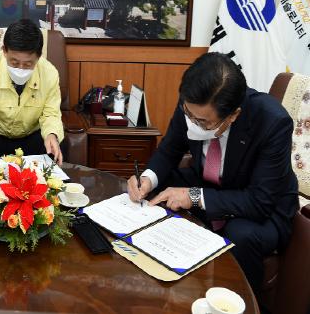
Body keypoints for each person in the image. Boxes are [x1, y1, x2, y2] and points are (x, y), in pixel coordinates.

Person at [127, 52, 298, 295]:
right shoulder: (193, 103)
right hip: (210, 183)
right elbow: (170, 149)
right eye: (189, 115)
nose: (193, 123)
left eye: (203, 122)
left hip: (262, 206)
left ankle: (244, 301)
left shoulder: (273, 122)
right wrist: (147, 179)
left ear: (233, 115)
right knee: (157, 187)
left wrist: (194, 196)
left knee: (241, 233)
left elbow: (260, 201)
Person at [0, 19, 64, 164]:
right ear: (4, 51)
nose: (21, 69)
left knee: (53, 151)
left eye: (28, 64)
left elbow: (51, 114)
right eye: (14, 62)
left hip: (33, 138)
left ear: (38, 56)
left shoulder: (49, 73)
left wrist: (52, 134)